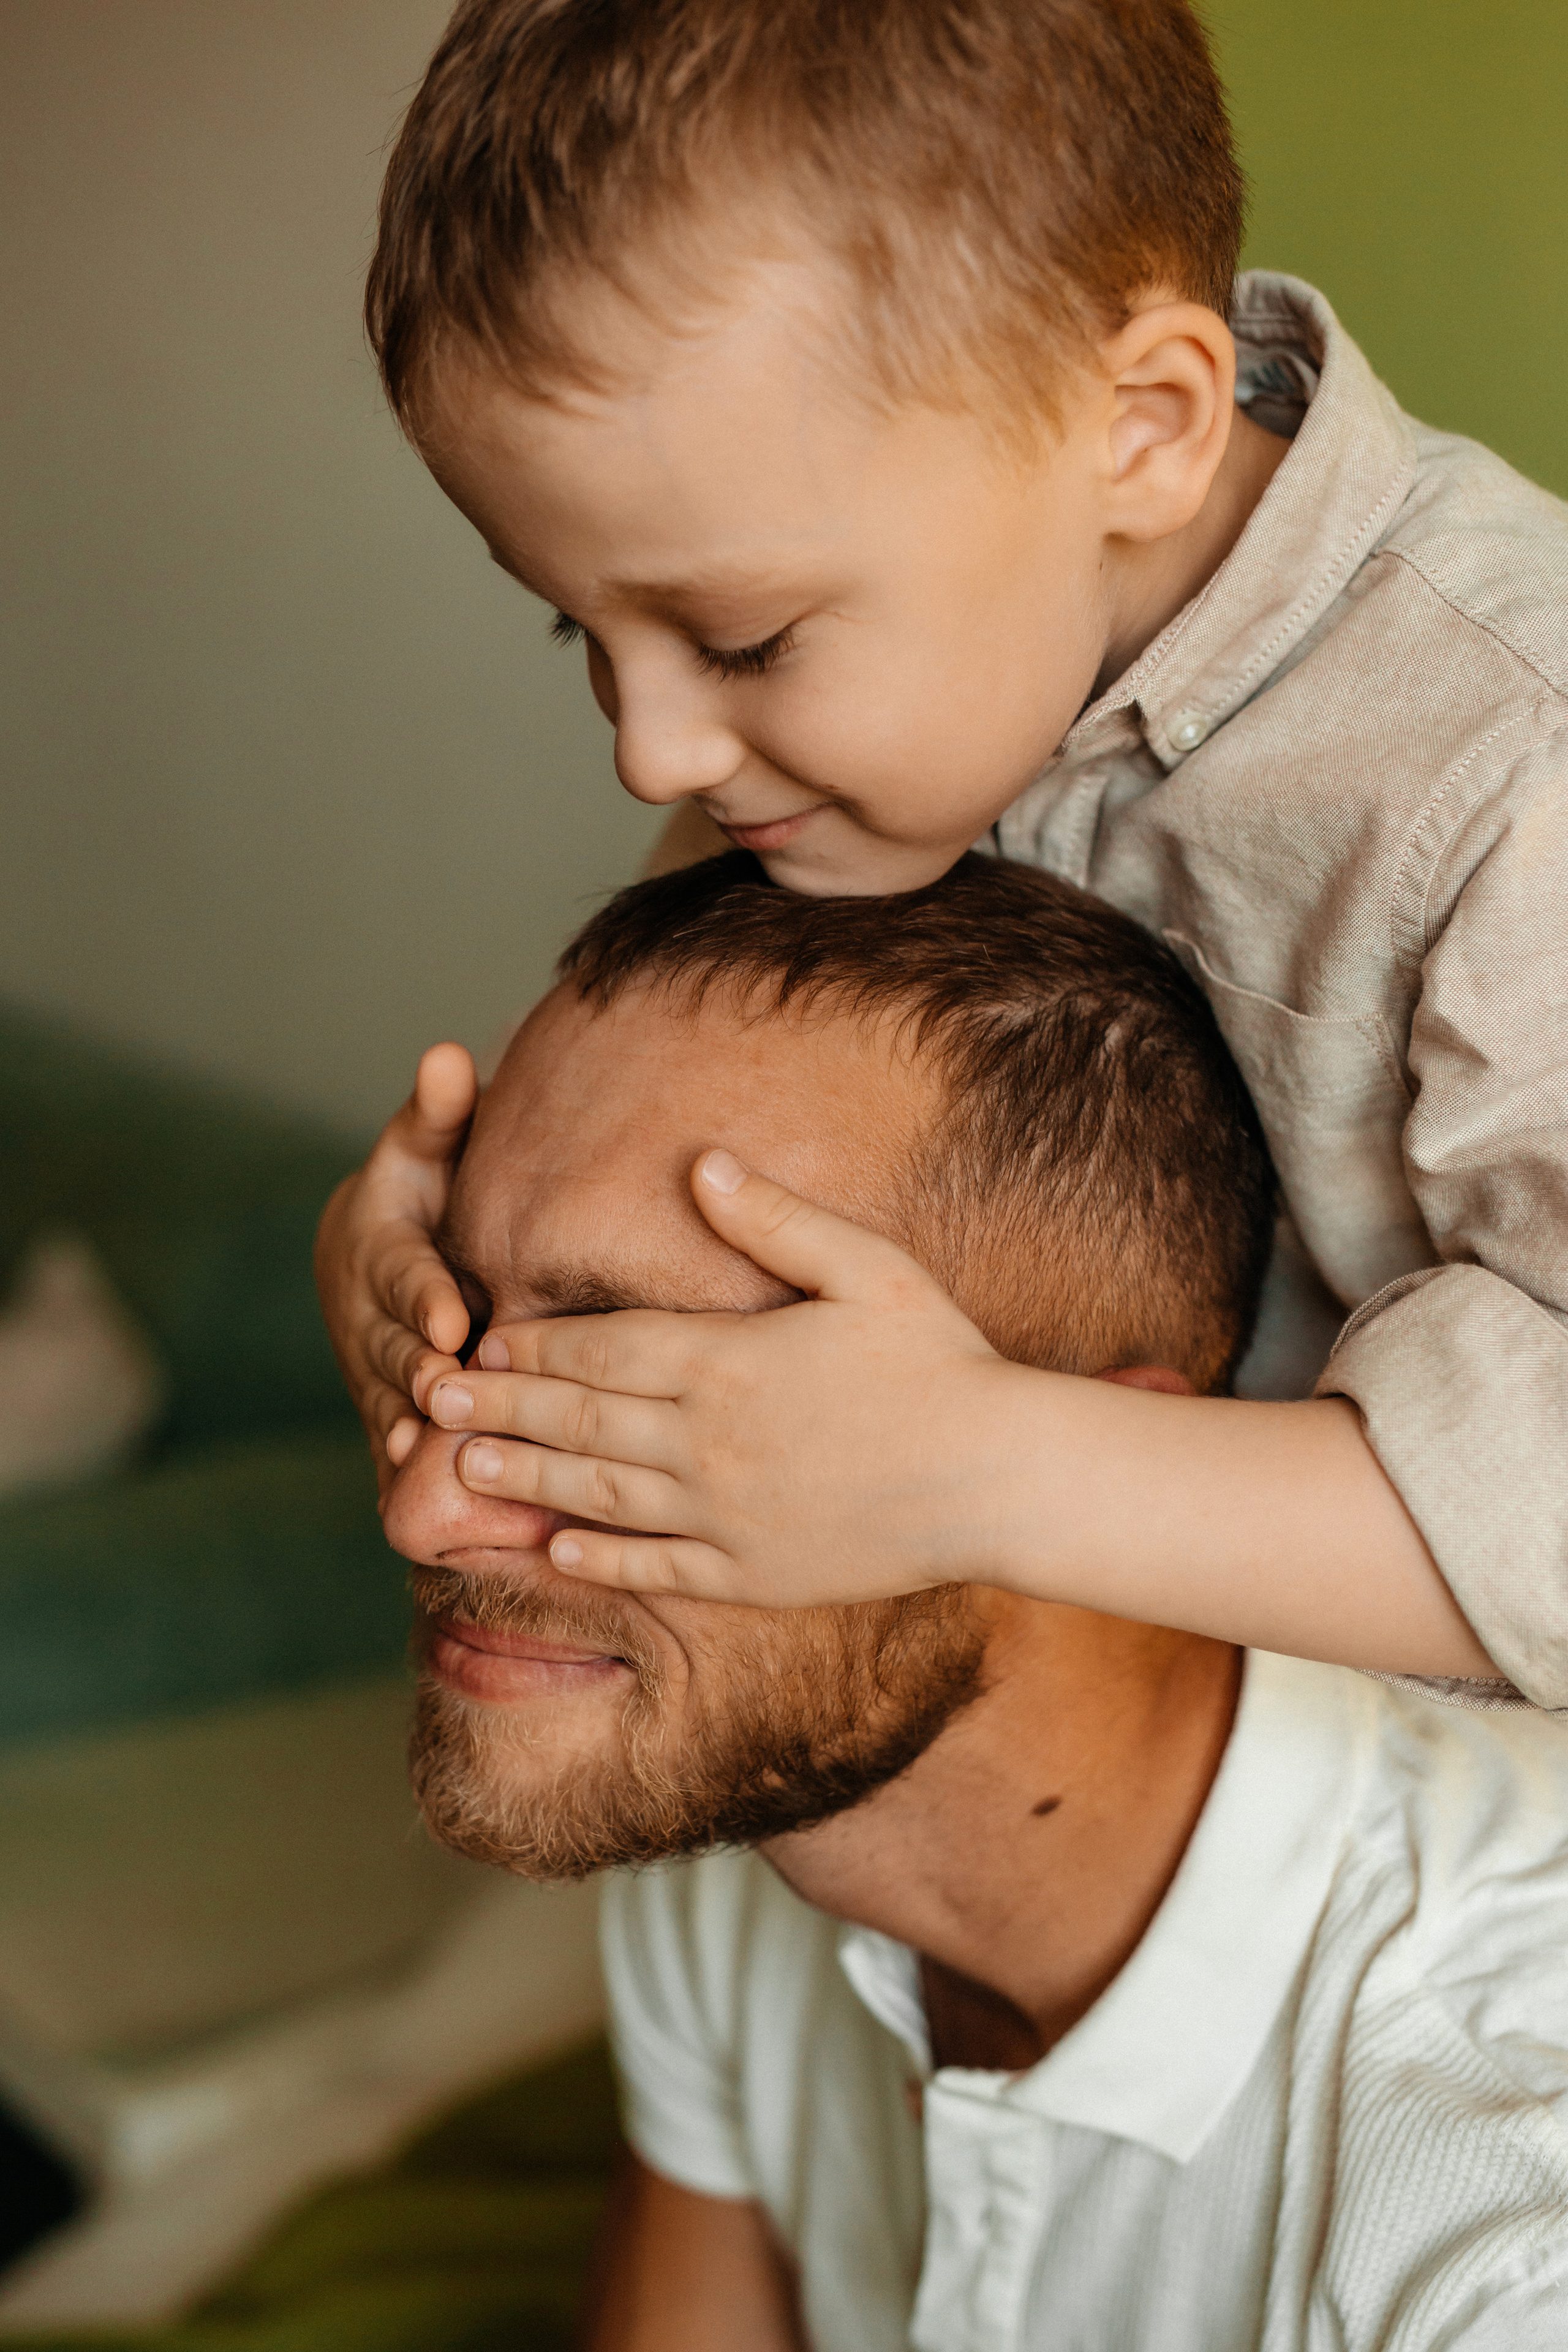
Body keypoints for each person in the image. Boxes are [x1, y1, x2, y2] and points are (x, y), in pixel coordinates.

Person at [318, 0, 1568, 1709]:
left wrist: (968, 1470)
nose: (650, 751)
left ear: (1139, 429)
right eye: (577, 634)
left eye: (746, 640)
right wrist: (441, 1263)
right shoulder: (891, 704)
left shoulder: (1516, 764)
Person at [385, 853, 1568, 2350]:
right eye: (462, 1326)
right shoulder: (729, 1817)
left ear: (1091, 1467)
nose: (422, 1507)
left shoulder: (1502, 2239)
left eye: (638, 1399)